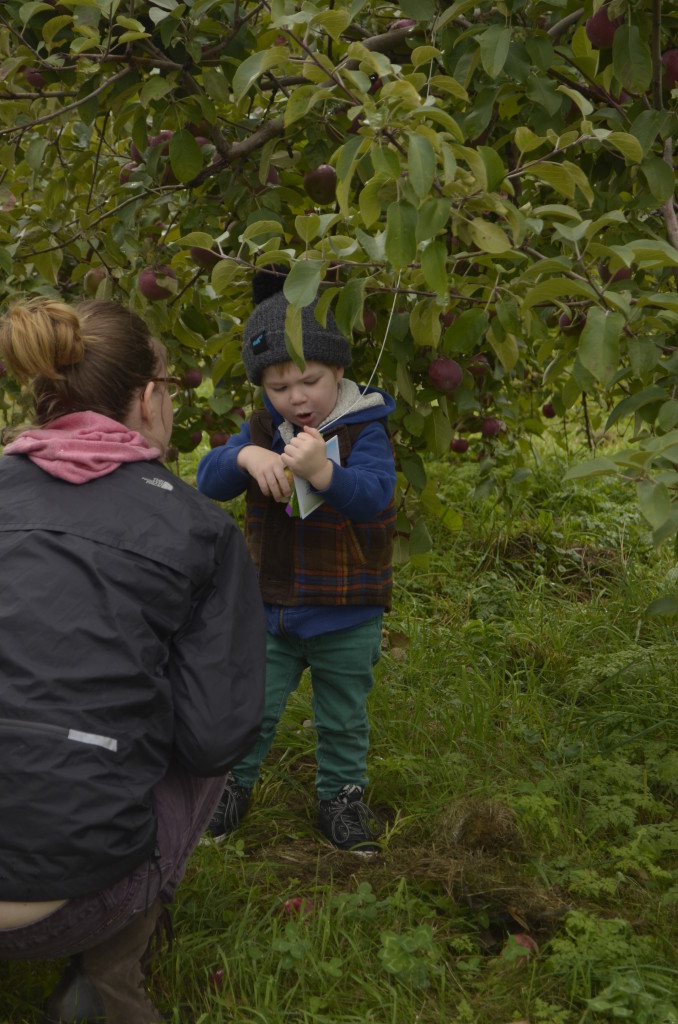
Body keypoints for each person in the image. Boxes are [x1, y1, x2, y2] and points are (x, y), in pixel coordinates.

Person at [0, 297, 266, 1023]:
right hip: (72, 897)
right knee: (203, 733)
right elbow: (216, 736)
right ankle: (111, 978)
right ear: (148, 399)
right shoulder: (198, 528)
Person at [196, 271, 397, 855]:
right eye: (280, 386)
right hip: (270, 610)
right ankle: (230, 788)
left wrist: (322, 473)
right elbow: (210, 481)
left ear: (338, 373)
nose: (297, 397)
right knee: (250, 708)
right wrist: (246, 455)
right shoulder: (262, 429)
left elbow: (375, 497)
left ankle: (341, 797)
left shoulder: (366, 430)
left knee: (341, 716)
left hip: (346, 610)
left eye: (310, 381)